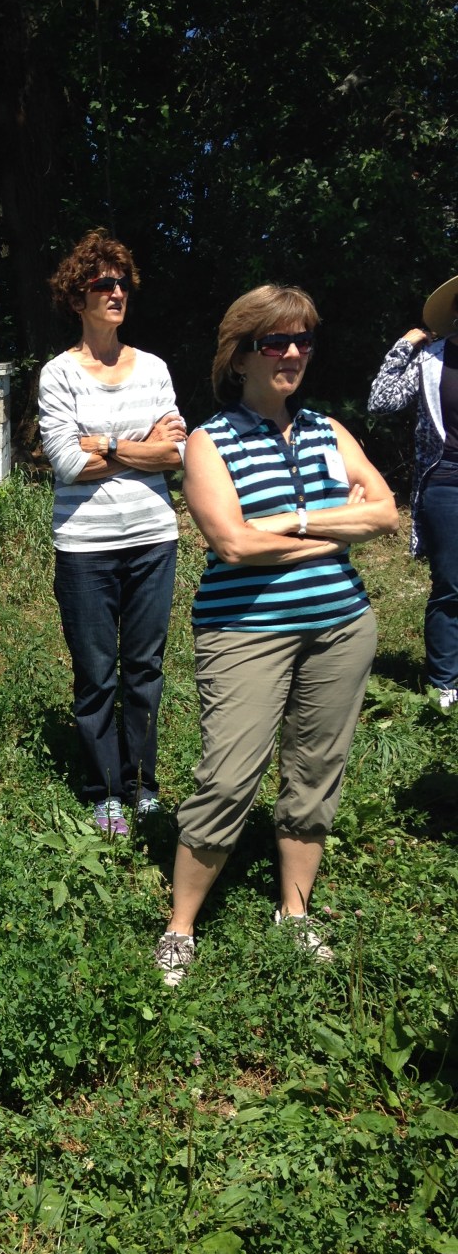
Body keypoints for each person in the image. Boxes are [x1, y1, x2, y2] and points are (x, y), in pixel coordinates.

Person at [154, 285, 398, 986]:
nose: (292, 353)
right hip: (245, 632)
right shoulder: (209, 441)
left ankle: (295, 913)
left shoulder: (327, 429)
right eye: (275, 342)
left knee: (316, 771)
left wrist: (292, 523)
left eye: (303, 341)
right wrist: (332, 525)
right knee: (228, 777)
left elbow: (385, 512)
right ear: (240, 356)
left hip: (341, 626)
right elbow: (232, 542)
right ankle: (180, 926)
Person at [38, 229, 186, 835]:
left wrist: (106, 444)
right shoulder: (58, 374)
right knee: (96, 673)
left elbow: (177, 452)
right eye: (103, 284)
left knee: (145, 667)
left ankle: (143, 783)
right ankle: (104, 791)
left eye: (122, 283)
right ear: (78, 298)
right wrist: (140, 446)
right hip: (85, 547)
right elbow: (67, 463)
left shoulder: (153, 369)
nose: (117, 292)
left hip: (153, 538)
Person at [368, 273, 458, 710]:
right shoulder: (431, 360)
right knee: (451, 584)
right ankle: (445, 684)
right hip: (446, 481)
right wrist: (405, 345)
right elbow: (381, 400)